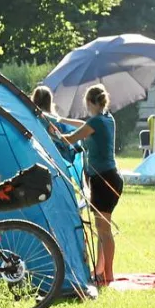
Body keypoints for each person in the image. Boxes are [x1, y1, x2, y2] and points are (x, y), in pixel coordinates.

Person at [62, 84, 121, 285]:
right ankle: (100, 271)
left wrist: (52, 133)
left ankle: (108, 274)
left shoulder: (96, 121)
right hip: (109, 178)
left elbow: (70, 138)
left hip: (104, 181)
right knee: (101, 230)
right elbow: (83, 124)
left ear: (89, 102)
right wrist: (61, 120)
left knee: (104, 230)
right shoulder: (107, 119)